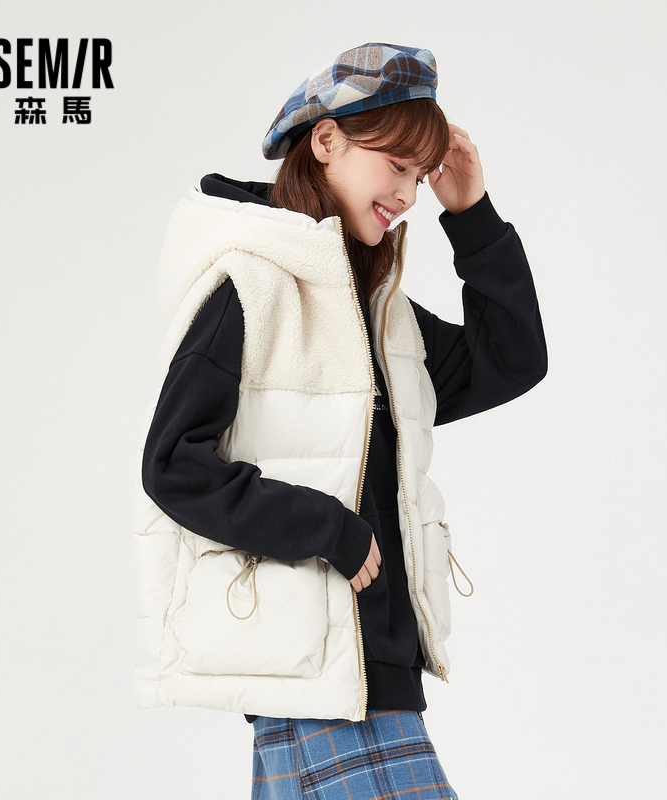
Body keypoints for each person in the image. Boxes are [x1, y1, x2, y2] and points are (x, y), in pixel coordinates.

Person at [135, 43, 547, 799]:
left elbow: (510, 360)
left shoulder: (379, 315)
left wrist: (472, 216)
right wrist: (331, 529)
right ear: (326, 141)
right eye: (397, 167)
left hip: (353, 678)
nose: (409, 195)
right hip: (327, 684)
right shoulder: (251, 286)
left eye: (420, 177)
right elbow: (173, 464)